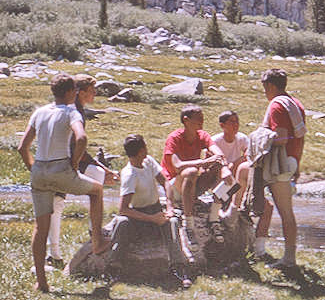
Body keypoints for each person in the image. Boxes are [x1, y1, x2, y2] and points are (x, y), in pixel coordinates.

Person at [17, 73, 109, 293]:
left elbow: (22, 147)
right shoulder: (71, 111)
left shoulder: (39, 112)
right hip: (61, 169)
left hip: (39, 171)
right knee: (96, 191)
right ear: (71, 92)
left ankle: (42, 282)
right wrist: (74, 164)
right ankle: (97, 241)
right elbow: (82, 138)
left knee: (40, 228)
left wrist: (33, 168)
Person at [46, 74, 119, 270]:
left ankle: (89, 233)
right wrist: (76, 166)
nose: (95, 93)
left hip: (56, 162)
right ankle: (55, 254)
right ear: (79, 92)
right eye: (92, 90)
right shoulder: (74, 111)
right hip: (61, 163)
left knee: (94, 177)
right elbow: (76, 143)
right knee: (56, 204)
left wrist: (102, 169)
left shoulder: (73, 109)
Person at [109, 134, 191, 288]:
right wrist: (153, 219)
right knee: (122, 223)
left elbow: (165, 182)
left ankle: (178, 267)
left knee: (172, 221)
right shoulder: (129, 175)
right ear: (141, 150)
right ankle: (114, 267)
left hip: (155, 208)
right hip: (138, 215)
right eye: (145, 146)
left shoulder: (148, 161)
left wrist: (169, 205)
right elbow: (123, 209)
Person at [251, 68, 306, 269]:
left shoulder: (276, 106)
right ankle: (275, 252)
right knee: (286, 211)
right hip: (291, 161)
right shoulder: (295, 103)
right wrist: (297, 164)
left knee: (285, 212)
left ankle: (288, 259)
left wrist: (260, 137)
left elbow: (281, 137)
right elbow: (299, 138)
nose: (265, 92)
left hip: (279, 165)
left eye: (265, 88)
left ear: (271, 86)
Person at [161, 104, 234, 248]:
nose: (202, 121)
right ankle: (189, 225)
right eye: (198, 118)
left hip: (192, 185)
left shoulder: (202, 135)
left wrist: (225, 168)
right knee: (191, 171)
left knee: (221, 167)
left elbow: (218, 154)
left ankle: (214, 218)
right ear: (186, 120)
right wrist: (204, 162)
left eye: (202, 118)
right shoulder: (174, 138)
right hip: (175, 185)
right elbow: (178, 165)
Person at [212, 111, 275, 262]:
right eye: (231, 122)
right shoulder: (215, 141)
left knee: (269, 207)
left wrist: (235, 163)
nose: (235, 125)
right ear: (222, 125)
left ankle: (259, 248)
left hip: (240, 182)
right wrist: (227, 168)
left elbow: (250, 156)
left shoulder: (241, 138)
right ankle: (232, 210)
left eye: (237, 121)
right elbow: (212, 164)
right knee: (237, 172)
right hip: (221, 183)